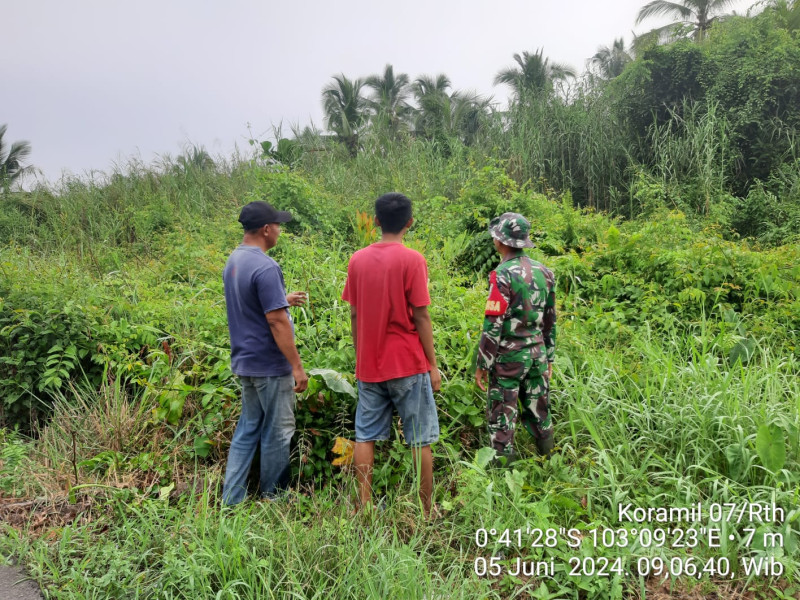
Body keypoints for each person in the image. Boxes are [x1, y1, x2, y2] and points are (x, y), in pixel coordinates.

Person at [342, 192, 441, 518]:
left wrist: (361, 355)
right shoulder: (413, 260)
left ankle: (364, 506)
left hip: (369, 365)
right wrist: (433, 365)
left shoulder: (357, 260)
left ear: (377, 221)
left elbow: (355, 314)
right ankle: (426, 511)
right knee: (420, 439)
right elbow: (421, 315)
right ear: (409, 223)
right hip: (409, 364)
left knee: (365, 436)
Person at [221, 200, 309, 506]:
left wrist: (280, 299)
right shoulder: (266, 266)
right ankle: (276, 498)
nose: (280, 231)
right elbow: (275, 320)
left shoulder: (234, 260)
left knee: (248, 429)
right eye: (278, 226)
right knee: (279, 431)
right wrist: (296, 366)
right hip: (270, 365)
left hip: (245, 363)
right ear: (267, 229)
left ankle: (231, 500)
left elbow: (252, 302)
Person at [474, 212, 557, 463]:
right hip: (537, 355)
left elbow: (493, 323)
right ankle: (551, 463)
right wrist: (549, 357)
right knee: (540, 410)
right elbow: (550, 319)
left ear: (500, 241)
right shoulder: (545, 272)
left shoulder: (502, 274)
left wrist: (483, 364)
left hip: (509, 359)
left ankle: (503, 478)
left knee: (502, 415)